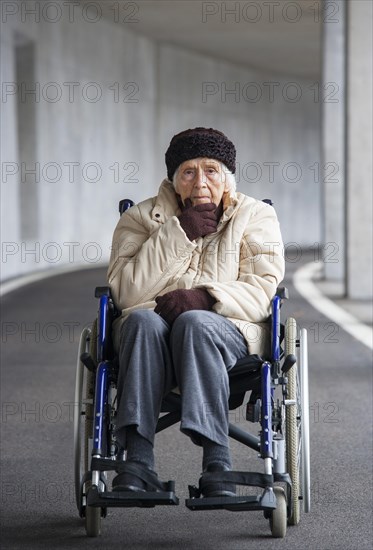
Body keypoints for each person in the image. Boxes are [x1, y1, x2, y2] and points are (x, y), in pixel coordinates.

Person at [107, 127, 285, 496]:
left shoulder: (256, 217)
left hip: (229, 334)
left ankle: (217, 463)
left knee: (195, 322)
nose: (200, 182)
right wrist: (178, 233)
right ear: (174, 181)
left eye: (211, 170)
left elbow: (263, 290)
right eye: (188, 172)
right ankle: (137, 464)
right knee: (139, 319)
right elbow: (125, 293)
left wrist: (205, 298)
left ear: (227, 178)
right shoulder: (140, 220)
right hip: (148, 337)